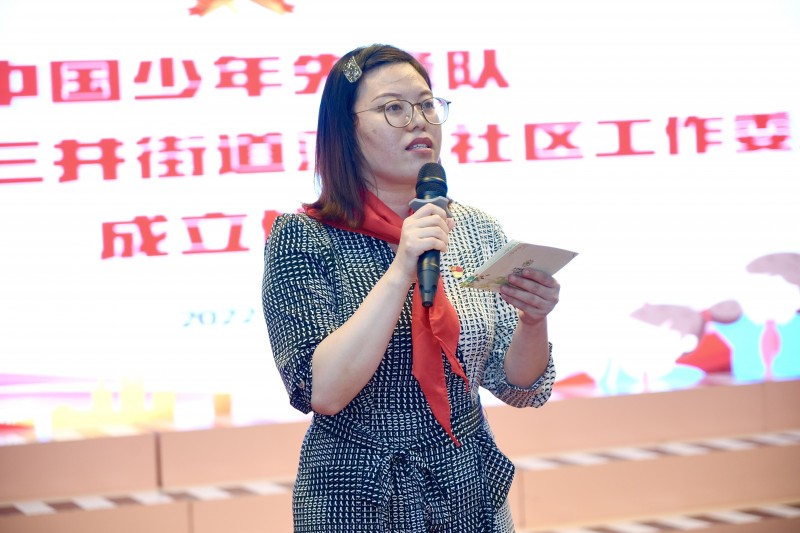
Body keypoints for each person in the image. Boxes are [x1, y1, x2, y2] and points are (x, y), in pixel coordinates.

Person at [262, 43, 560, 533]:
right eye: (394, 108)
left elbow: (520, 388)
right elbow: (323, 391)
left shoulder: (475, 228)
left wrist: (533, 319)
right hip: (356, 495)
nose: (419, 121)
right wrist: (402, 266)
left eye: (426, 104)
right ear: (345, 130)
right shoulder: (304, 237)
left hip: (468, 490)